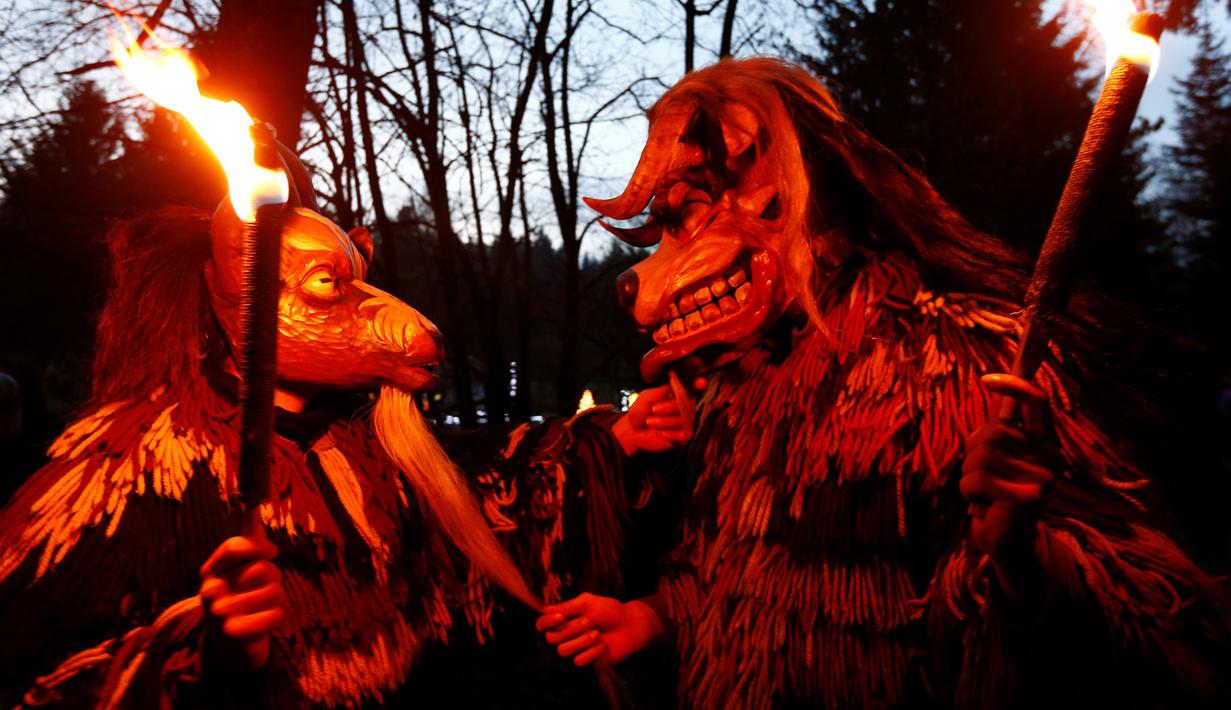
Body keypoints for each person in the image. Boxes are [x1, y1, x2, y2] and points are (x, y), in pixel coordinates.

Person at [537, 58, 1229, 708]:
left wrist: (1027, 557)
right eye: (664, 228)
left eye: (692, 212)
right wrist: (652, 617)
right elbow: (730, 571)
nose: (645, 283)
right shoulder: (745, 383)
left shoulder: (959, 359)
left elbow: (1156, 621)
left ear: (797, 187)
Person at [0, 152, 693, 708]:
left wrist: (610, 439)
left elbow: (475, 487)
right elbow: (35, 670)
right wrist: (197, 657)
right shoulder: (125, 471)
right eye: (329, 284)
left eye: (358, 277)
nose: (404, 320)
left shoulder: (365, 449)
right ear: (231, 296)